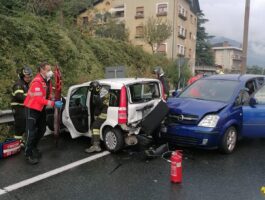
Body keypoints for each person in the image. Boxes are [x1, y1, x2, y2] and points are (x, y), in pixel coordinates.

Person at [24, 62, 63, 164]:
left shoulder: (47, 81)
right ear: (42, 70)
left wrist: (54, 99)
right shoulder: (37, 82)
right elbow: (38, 99)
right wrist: (53, 103)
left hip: (41, 109)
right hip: (32, 108)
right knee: (31, 133)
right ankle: (28, 154)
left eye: (50, 70)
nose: (50, 72)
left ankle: (34, 147)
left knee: (42, 129)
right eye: (48, 70)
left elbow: (48, 95)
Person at [11, 66, 33, 147]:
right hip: (18, 108)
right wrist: (31, 99)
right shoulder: (19, 84)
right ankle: (17, 144)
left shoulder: (25, 85)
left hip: (23, 108)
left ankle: (19, 142)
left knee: (23, 125)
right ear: (22, 76)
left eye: (30, 77)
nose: (28, 78)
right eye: (27, 77)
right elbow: (19, 96)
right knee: (20, 126)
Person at [85, 81, 109, 153]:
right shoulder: (105, 91)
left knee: (95, 127)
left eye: (92, 90)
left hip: (105, 113)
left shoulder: (99, 97)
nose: (92, 92)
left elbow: (98, 107)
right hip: (109, 111)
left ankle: (96, 146)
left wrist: (96, 115)